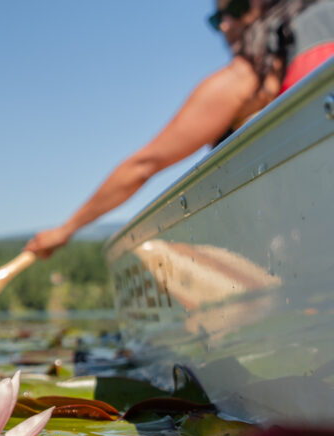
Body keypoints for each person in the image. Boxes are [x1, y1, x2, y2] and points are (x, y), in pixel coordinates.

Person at [25, 0, 334, 259]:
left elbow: (144, 165)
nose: (226, 25)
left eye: (237, 7)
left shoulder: (245, 78)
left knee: (160, 251)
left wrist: (66, 229)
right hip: (314, 232)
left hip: (309, 247)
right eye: (216, 20)